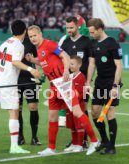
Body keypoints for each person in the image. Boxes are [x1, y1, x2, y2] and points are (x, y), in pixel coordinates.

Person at [27, 25, 99, 156]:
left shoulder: (49, 44)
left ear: (40, 34)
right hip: (54, 85)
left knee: (77, 112)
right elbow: (45, 62)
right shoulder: (40, 49)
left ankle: (94, 141)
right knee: (52, 117)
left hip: (64, 83)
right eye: (30, 36)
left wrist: (66, 69)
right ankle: (51, 148)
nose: (33, 38)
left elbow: (65, 55)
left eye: (34, 35)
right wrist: (33, 60)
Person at [0, 20, 41, 153]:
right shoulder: (19, 45)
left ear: (12, 31)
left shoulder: (6, 42)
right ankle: (14, 146)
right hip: (8, 83)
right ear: (25, 31)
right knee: (14, 112)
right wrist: (31, 69)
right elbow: (16, 62)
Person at [87, 18, 123, 154]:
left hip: (111, 82)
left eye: (92, 32)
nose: (91, 35)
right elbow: (92, 64)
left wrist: (115, 86)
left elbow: (119, 66)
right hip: (100, 82)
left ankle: (111, 147)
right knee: (95, 112)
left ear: (100, 29)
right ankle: (104, 140)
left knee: (109, 113)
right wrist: (87, 82)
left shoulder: (112, 43)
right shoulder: (93, 44)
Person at [61, 16, 93, 149]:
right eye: (67, 28)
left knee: (82, 110)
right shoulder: (66, 43)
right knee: (71, 113)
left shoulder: (86, 42)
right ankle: (76, 141)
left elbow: (92, 62)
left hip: (82, 81)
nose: (69, 30)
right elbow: (61, 61)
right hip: (69, 83)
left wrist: (88, 82)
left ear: (77, 26)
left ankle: (84, 140)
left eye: (71, 27)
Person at [17, 36, 41, 146]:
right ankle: (20, 136)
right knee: (18, 109)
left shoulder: (30, 42)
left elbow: (36, 59)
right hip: (15, 79)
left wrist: (37, 75)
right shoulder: (12, 42)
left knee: (33, 107)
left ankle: (34, 137)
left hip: (29, 79)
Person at [63, 55, 86, 153]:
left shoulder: (81, 77)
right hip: (69, 105)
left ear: (79, 65)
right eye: (69, 64)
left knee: (79, 126)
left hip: (78, 106)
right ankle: (74, 143)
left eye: (72, 64)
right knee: (72, 125)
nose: (70, 66)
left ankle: (80, 145)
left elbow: (82, 93)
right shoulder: (69, 76)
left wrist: (74, 100)